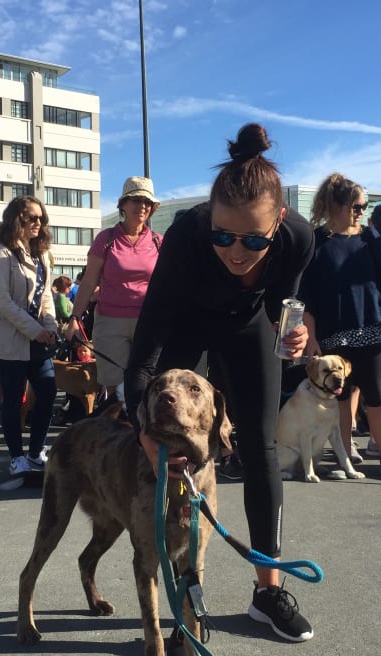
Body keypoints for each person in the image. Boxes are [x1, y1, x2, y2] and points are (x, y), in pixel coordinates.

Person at [125, 123, 315, 643]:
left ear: (278, 223)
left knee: (260, 445)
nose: (236, 251)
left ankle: (267, 593)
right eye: (224, 236)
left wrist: (292, 335)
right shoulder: (187, 235)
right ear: (208, 221)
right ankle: (177, 587)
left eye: (254, 239)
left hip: (247, 325)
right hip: (186, 321)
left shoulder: (300, 237)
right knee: (159, 433)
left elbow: (285, 312)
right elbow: (144, 357)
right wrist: (142, 426)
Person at [299, 174, 381, 481]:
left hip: (370, 328)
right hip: (332, 332)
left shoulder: (370, 238)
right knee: (341, 397)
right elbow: (307, 295)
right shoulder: (317, 241)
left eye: (364, 206)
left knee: (376, 394)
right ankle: (345, 457)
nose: (362, 211)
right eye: (357, 205)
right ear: (335, 205)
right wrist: (312, 337)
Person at [0, 196, 59, 477]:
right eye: (32, 218)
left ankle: (37, 450)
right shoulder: (1, 253)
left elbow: (46, 294)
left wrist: (50, 325)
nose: (38, 223)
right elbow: (2, 301)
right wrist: (36, 330)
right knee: (13, 400)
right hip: (10, 340)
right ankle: (17, 456)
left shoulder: (42, 254)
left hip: (38, 340)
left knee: (48, 393)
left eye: (41, 218)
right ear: (17, 219)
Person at [65, 176, 162, 402]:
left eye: (147, 202)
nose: (143, 206)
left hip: (147, 322)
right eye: (137, 200)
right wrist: (74, 318)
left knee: (146, 384)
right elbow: (89, 282)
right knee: (114, 388)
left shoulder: (158, 242)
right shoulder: (106, 239)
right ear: (123, 205)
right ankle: (116, 434)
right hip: (110, 321)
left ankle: (141, 435)